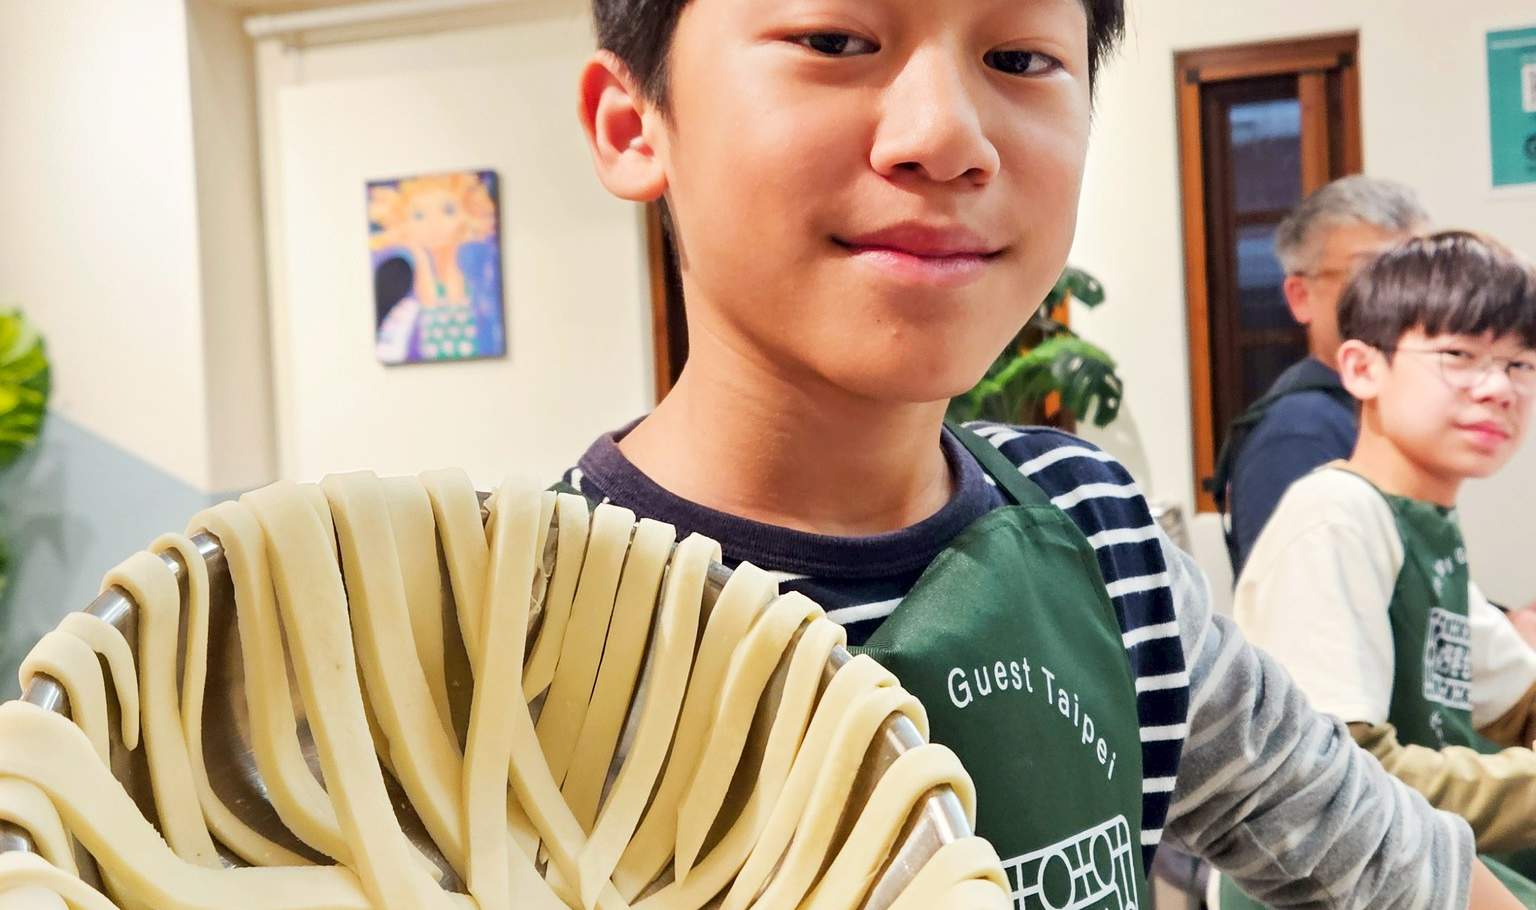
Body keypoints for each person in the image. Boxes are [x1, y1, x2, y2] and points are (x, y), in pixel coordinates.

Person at [563, 0, 1522, 905]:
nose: (945, 137)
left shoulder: (1096, 532)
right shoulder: (524, 634)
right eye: (836, 41)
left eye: (1019, 59)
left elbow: (1380, 855)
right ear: (632, 124)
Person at [1232, 231, 1536, 905]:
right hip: (1333, 881)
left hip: (1415, 857)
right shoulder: (1336, 518)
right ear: (1363, 367)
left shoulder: (1418, 523)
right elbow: (1351, 783)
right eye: (1460, 356)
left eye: (1520, 365)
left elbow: (1519, 701)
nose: (1498, 389)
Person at [1212, 175, 1428, 575]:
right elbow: (1302, 618)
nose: (1405, 296)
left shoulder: (1381, 411)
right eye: (1373, 273)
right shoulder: (1299, 432)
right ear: (1300, 296)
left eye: (1418, 273)